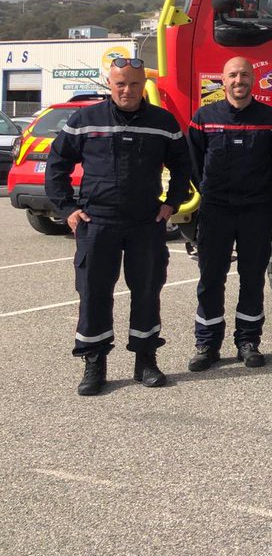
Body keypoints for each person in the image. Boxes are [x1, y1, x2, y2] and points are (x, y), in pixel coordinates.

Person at [46, 57, 190, 396]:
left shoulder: (162, 121)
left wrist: (172, 203)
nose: (127, 90)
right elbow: (57, 164)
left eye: (134, 84)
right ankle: (94, 363)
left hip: (145, 223)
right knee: (94, 295)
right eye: (120, 83)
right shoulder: (85, 119)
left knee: (147, 292)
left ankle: (146, 360)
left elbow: (184, 165)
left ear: (144, 85)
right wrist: (68, 208)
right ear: (109, 84)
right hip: (97, 223)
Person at [185, 56, 272, 371]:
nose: (238, 80)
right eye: (232, 75)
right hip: (216, 210)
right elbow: (193, 162)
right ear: (223, 80)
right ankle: (207, 344)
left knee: (252, 279)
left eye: (244, 75)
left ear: (253, 80)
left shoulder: (271, 119)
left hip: (255, 210)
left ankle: (248, 341)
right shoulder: (204, 117)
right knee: (210, 279)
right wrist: (210, 191)